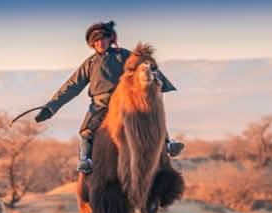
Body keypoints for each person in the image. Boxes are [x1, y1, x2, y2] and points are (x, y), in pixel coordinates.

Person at [35, 20, 183, 174]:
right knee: (86, 131)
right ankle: (85, 160)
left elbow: (144, 66)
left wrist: (157, 79)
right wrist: (51, 108)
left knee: (151, 115)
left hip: (126, 101)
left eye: (103, 39)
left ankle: (167, 143)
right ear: (92, 44)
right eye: (96, 40)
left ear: (110, 40)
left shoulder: (124, 55)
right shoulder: (90, 63)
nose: (100, 43)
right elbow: (72, 85)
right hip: (101, 105)